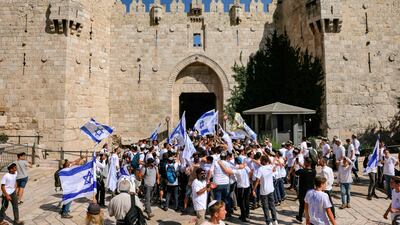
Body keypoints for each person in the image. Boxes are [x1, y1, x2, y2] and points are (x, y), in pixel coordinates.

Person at [253, 155, 278, 225]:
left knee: (265, 207)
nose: (260, 161)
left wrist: (254, 190)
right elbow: (273, 168)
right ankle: (275, 220)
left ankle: (268, 221)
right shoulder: (270, 167)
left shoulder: (260, 169)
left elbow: (257, 180)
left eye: (261, 160)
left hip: (264, 191)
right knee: (272, 205)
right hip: (271, 189)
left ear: (263, 161)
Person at [295, 157, 316, 223]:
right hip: (311, 191)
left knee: (302, 205)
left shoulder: (301, 171)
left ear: (306, 162)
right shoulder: (314, 171)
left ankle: (300, 218)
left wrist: (297, 165)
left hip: (303, 191)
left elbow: (295, 172)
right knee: (310, 205)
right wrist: (302, 166)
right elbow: (307, 170)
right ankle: (311, 217)